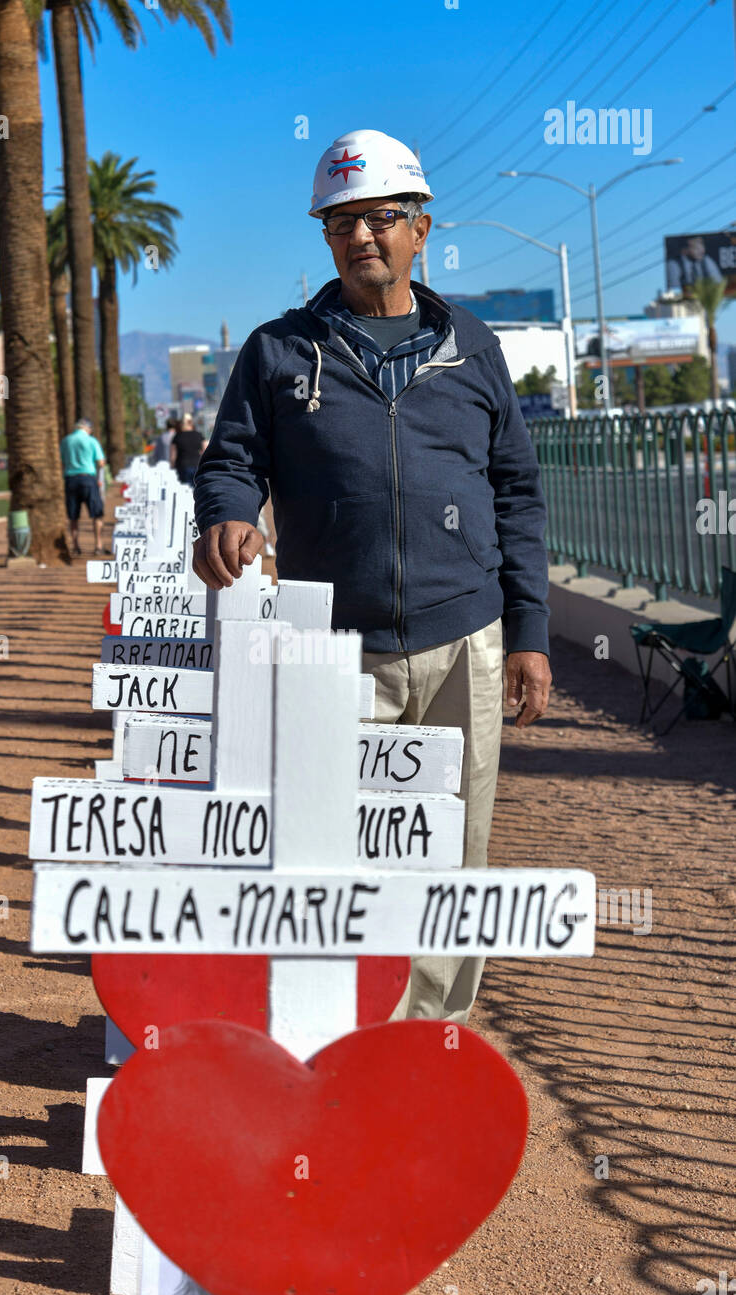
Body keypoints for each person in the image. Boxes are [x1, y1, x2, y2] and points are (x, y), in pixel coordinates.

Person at [192, 128, 552, 1025]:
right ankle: (338, 1026)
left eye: (381, 218)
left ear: (421, 228)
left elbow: (516, 493)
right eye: (341, 222)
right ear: (326, 238)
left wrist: (531, 631)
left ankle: (429, 1041)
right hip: (332, 648)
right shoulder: (280, 352)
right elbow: (230, 461)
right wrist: (227, 512)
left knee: (453, 852)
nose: (362, 237)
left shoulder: (474, 347)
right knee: (334, 846)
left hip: (464, 639)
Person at [61, 418, 106, 556]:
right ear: (88, 429)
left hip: (71, 479)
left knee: (73, 516)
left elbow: (62, 461)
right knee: (97, 514)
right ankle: (98, 545)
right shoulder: (91, 441)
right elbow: (101, 462)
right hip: (88, 479)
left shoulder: (66, 441)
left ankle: (75, 547)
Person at [170, 413, 205, 486]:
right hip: (197, 466)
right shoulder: (199, 435)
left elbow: (173, 456)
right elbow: (205, 451)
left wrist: (172, 467)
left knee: (185, 491)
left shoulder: (177, 437)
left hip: (182, 467)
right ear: (191, 422)